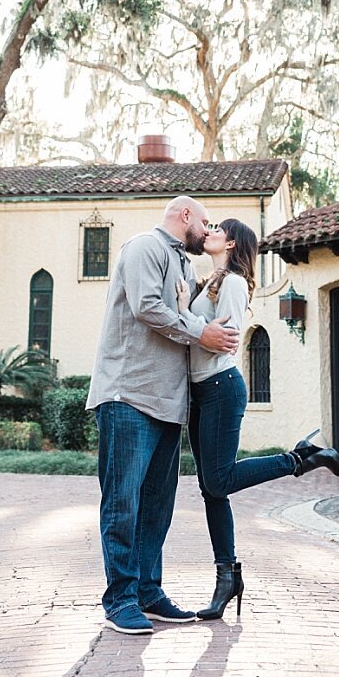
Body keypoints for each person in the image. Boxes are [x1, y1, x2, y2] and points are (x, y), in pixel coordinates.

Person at [86, 194, 240, 635]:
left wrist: (218, 269)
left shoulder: (185, 265)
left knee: (157, 506)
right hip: (128, 396)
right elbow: (148, 307)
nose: (209, 232)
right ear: (185, 215)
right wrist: (202, 333)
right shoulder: (143, 248)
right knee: (123, 503)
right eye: (206, 223)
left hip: (169, 405)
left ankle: (149, 594)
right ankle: (120, 600)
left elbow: (193, 308)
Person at [177, 218, 339, 622]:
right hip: (201, 392)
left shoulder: (232, 283)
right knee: (212, 491)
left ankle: (301, 458)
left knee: (219, 480)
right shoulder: (212, 280)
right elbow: (205, 331)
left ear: (231, 242)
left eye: (216, 228)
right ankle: (227, 577)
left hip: (220, 387)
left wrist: (182, 312)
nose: (208, 231)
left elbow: (227, 336)